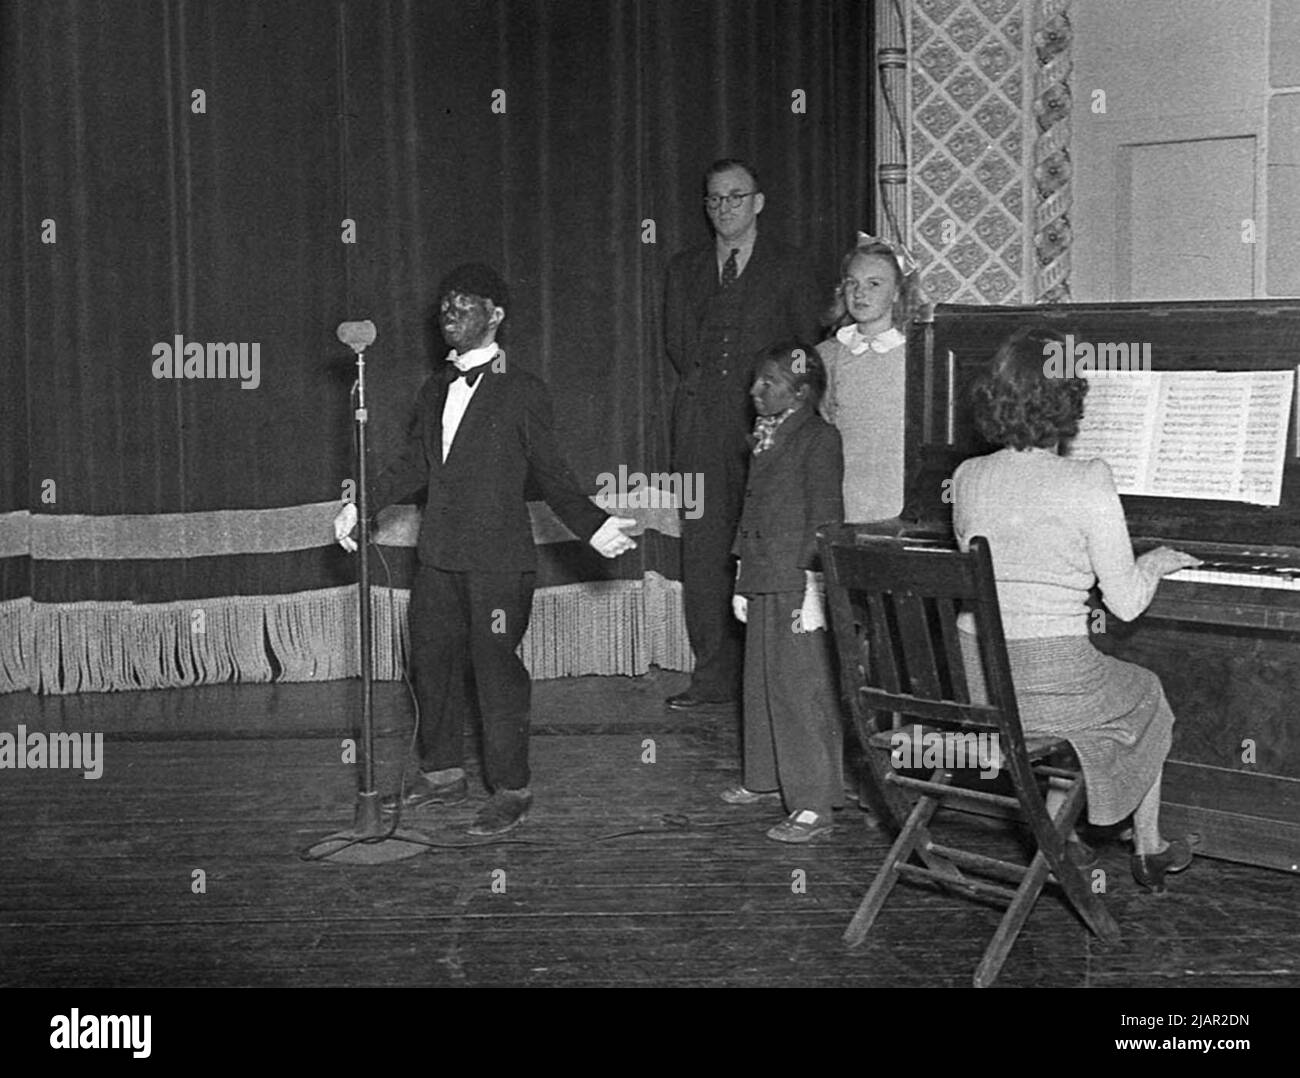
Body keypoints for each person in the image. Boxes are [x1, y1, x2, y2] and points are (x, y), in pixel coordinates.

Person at [333, 263, 637, 836]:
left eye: (465, 304)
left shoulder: (522, 390)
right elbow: (415, 465)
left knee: (495, 671)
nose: (450, 313)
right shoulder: (432, 389)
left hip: (498, 562)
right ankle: (443, 771)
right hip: (439, 558)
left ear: (496, 316)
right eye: (445, 304)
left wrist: (593, 526)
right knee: (430, 663)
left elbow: (551, 472)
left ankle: (511, 788)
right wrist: (363, 503)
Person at [952, 325, 1200, 892]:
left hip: (982, 684)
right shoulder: (1089, 479)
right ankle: (1149, 846)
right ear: (1069, 396)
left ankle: (1062, 826)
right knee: (1147, 690)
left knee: (1086, 699)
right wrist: (1156, 560)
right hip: (1051, 686)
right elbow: (1127, 604)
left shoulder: (965, 477)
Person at [663, 158, 822, 710]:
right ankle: (712, 677)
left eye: (735, 197)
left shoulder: (791, 267)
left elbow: (804, 347)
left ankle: (764, 678)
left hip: (769, 429)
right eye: (714, 199)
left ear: (758, 202)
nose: (723, 208)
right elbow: (680, 348)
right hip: (702, 431)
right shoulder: (683, 269)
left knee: (763, 546)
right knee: (704, 551)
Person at [727, 343, 845, 842]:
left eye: (768, 383)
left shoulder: (818, 438)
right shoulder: (766, 436)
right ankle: (768, 779)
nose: (755, 391)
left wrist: (815, 586)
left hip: (795, 580)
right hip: (761, 575)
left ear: (800, 391)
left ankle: (814, 802)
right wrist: (739, 572)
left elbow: (825, 518)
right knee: (760, 684)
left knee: (800, 691)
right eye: (756, 381)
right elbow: (751, 508)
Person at [817, 232, 923, 523]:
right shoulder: (826, 355)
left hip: (897, 496)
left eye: (874, 284)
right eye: (852, 283)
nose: (859, 293)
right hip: (842, 492)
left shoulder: (916, 354)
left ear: (898, 292)